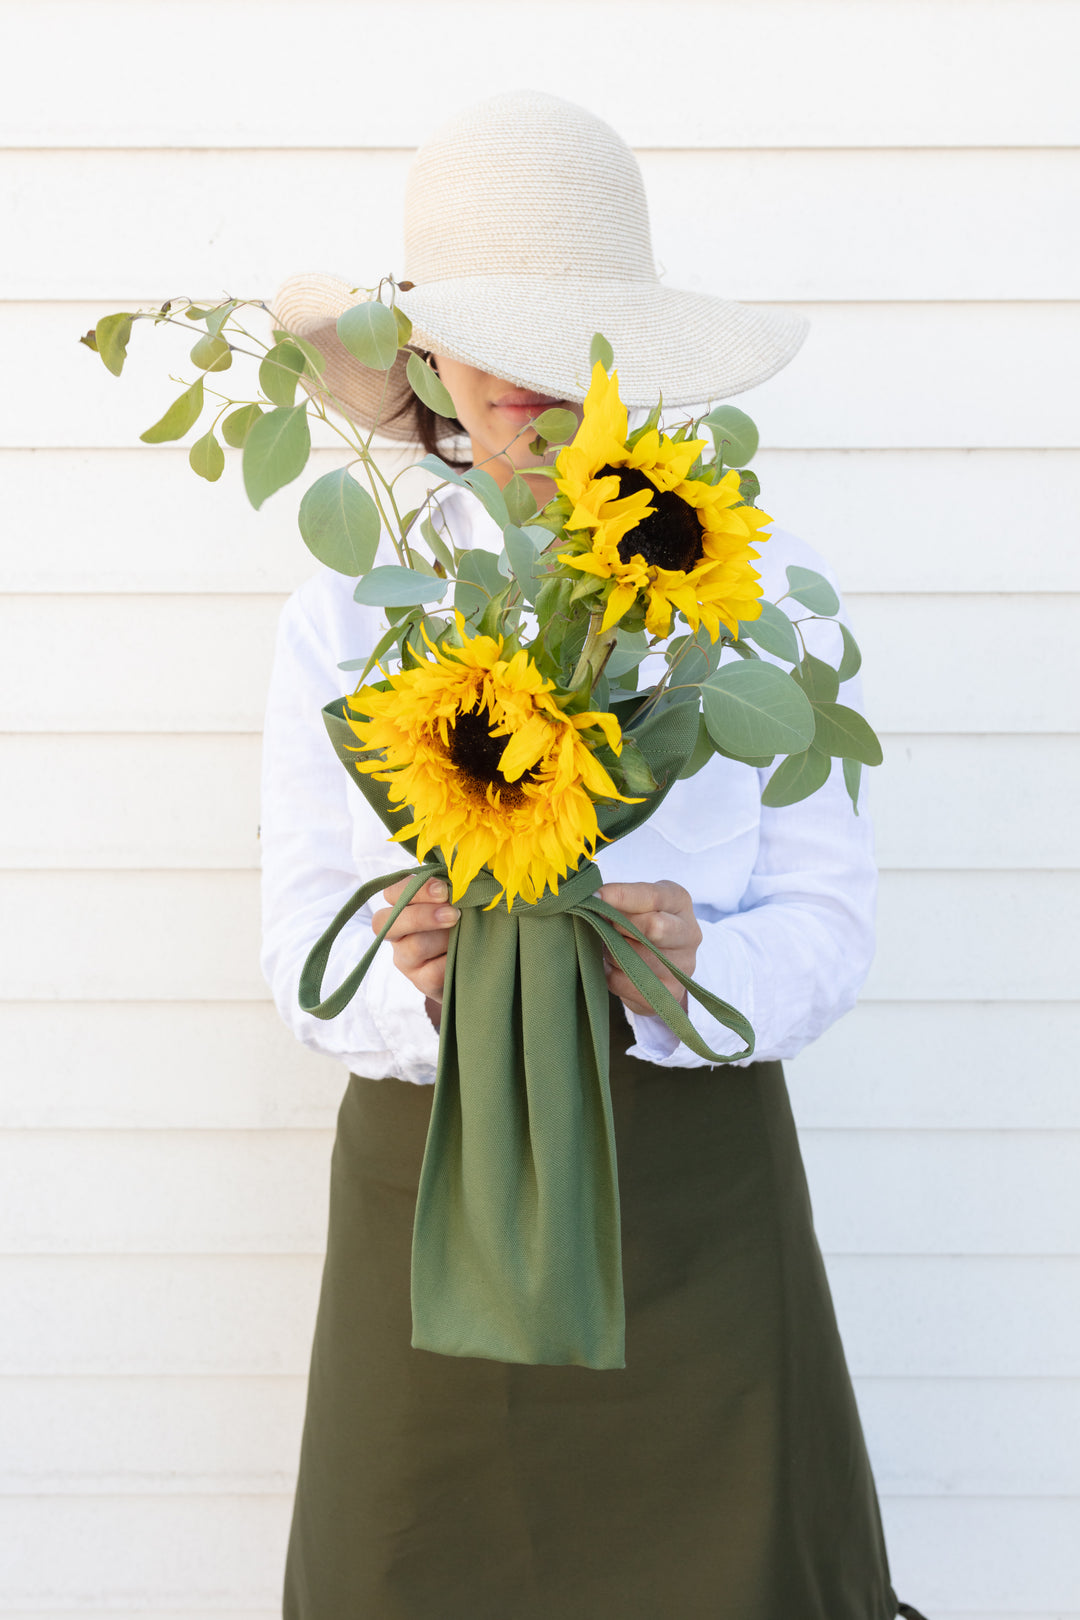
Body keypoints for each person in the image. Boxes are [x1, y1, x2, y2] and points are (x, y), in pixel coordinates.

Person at [261, 90, 927, 1620]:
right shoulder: (349, 612)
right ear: (421, 347)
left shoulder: (772, 597)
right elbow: (298, 945)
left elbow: (826, 924)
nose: (537, 378)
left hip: (695, 1198)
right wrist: (413, 979)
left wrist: (698, 963)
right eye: (495, 327)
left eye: (577, 335)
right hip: (437, 1200)